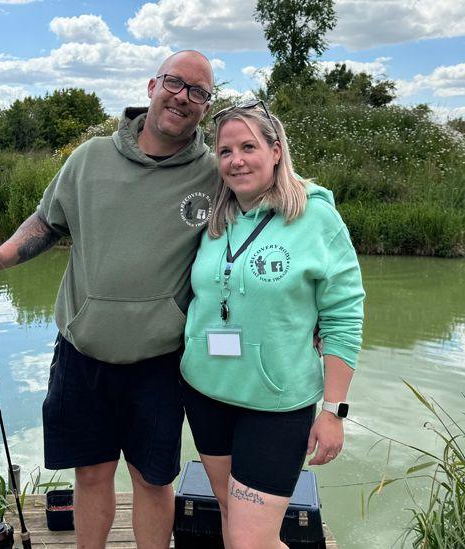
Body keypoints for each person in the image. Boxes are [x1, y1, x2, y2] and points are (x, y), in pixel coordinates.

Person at [0, 50, 218, 549]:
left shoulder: (214, 172)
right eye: (175, 83)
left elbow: (268, 206)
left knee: (153, 481)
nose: (183, 98)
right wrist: (3, 256)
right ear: (151, 86)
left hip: (162, 362)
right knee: (92, 474)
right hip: (82, 354)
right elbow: (47, 221)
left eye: (199, 92)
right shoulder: (90, 157)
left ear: (207, 107)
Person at [179, 101, 365, 548]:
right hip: (206, 393)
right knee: (232, 519)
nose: (236, 160)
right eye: (225, 151)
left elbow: (344, 315)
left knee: (250, 541)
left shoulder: (316, 218)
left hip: (277, 406)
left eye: (248, 146)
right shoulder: (214, 219)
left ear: (276, 150)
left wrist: (333, 411)